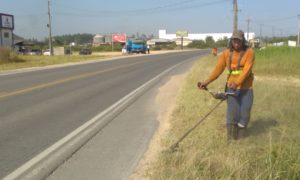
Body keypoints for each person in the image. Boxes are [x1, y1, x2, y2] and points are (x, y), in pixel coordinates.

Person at [198, 30, 255, 141]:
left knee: (245, 113)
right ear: (231, 40)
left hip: (247, 88)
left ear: (243, 41)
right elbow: (218, 70)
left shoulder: (250, 52)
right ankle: (231, 140)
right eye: (234, 40)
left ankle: (241, 137)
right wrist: (206, 82)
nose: (236, 43)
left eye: (239, 40)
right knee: (232, 113)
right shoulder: (226, 53)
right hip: (231, 88)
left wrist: (237, 83)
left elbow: (247, 71)